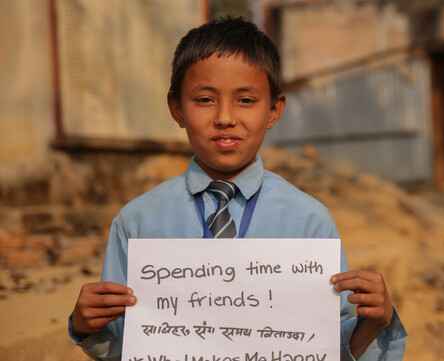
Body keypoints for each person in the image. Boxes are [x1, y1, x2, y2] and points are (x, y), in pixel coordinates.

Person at [68, 17, 406, 361]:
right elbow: (127, 345)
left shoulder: (310, 222)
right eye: (204, 99)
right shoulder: (137, 223)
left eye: (245, 100)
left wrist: (376, 322)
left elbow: (330, 345)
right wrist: (86, 326)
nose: (225, 117)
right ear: (177, 108)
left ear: (274, 111)